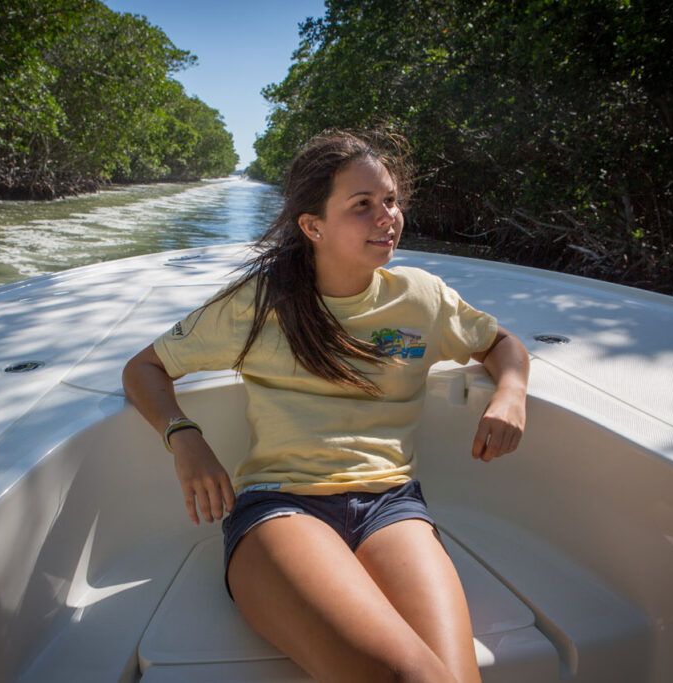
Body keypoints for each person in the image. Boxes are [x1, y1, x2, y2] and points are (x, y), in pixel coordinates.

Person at [122, 130, 529, 683]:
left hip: (392, 506)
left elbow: (500, 344)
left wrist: (510, 394)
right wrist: (184, 438)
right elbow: (145, 367)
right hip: (282, 506)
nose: (387, 217)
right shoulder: (258, 304)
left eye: (390, 200)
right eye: (362, 204)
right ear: (313, 226)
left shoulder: (422, 296)